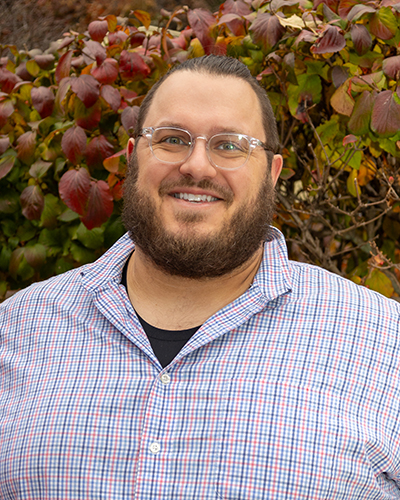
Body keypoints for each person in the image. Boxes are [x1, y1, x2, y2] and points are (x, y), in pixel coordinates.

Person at [1, 55, 400, 500]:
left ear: (271, 174)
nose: (197, 166)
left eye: (230, 145)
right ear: (133, 159)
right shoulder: (18, 327)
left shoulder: (385, 342)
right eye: (172, 139)